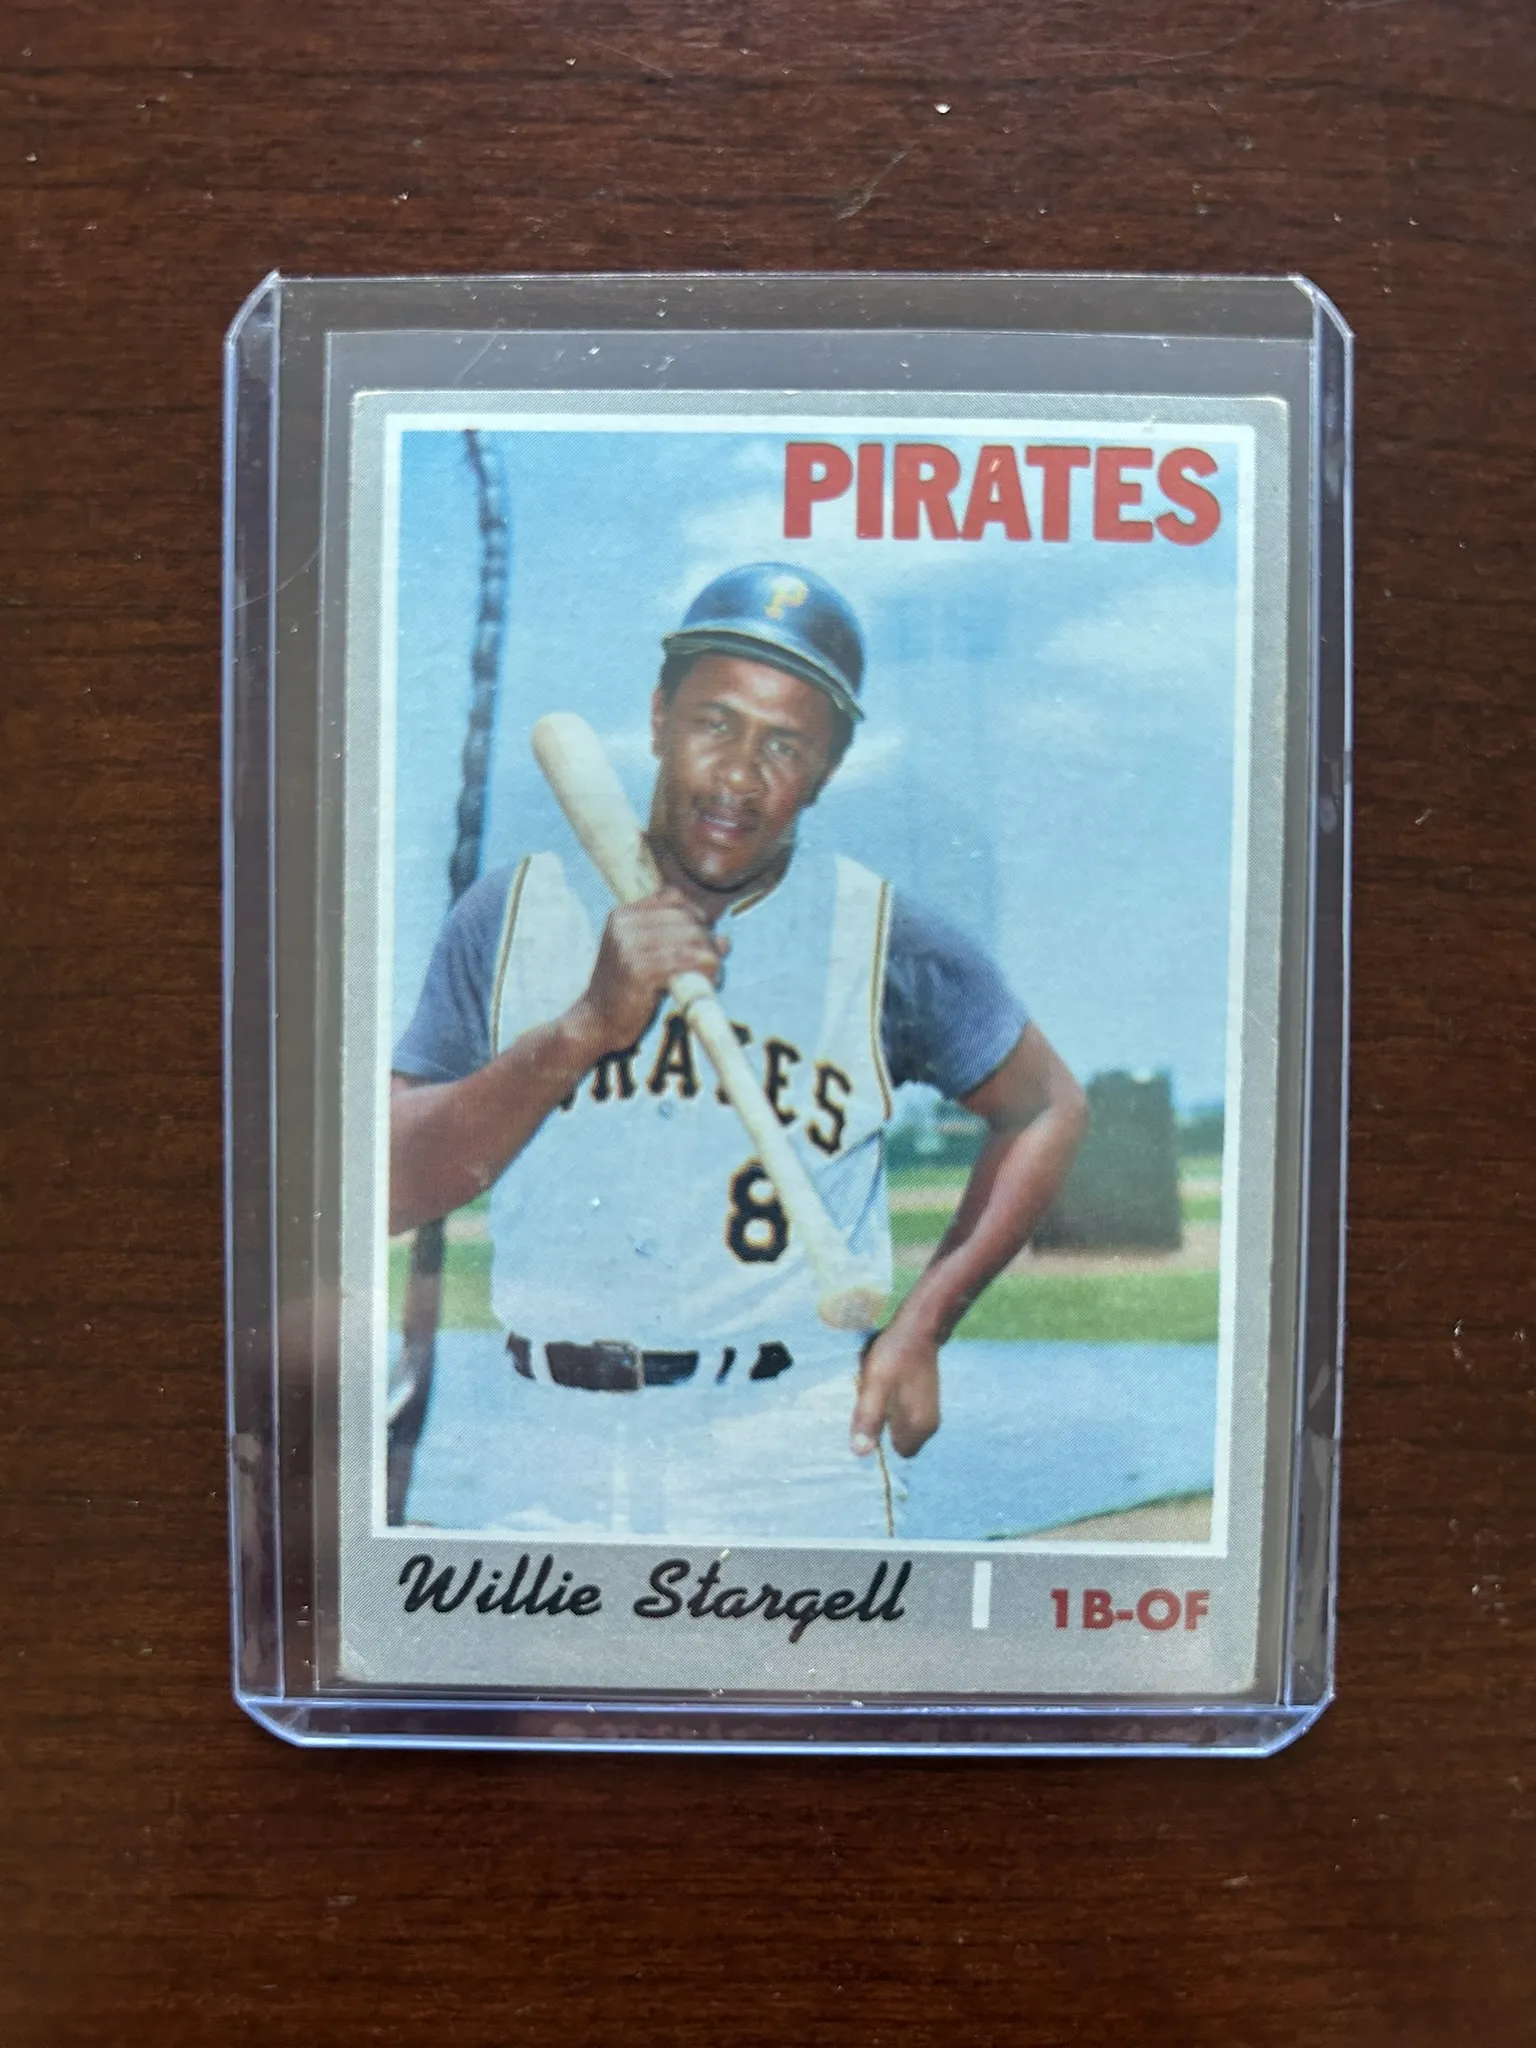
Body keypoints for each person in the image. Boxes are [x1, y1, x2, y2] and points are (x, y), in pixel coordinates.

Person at [390, 563, 1086, 1538]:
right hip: (543, 1443)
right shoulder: (510, 911)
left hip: (789, 1442)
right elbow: (387, 1186)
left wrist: (926, 1323)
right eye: (715, 723)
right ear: (658, 716)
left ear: (828, 768)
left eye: (785, 744)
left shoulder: (882, 933)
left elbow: (1048, 1107)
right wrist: (580, 1029)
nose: (738, 775)